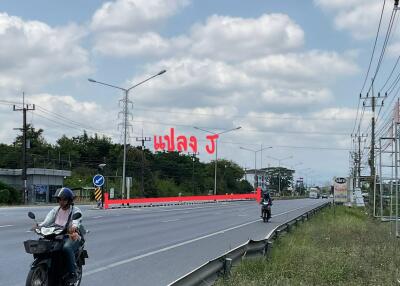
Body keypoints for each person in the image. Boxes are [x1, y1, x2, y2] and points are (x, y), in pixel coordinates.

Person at [37, 187, 83, 284]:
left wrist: (73, 227)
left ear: (69, 200)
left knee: (66, 247)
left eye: (64, 199)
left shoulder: (75, 210)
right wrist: (39, 226)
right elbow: (47, 222)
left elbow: (76, 221)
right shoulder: (55, 210)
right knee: (44, 244)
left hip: (71, 235)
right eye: (60, 199)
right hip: (57, 234)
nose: (61, 202)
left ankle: (72, 273)